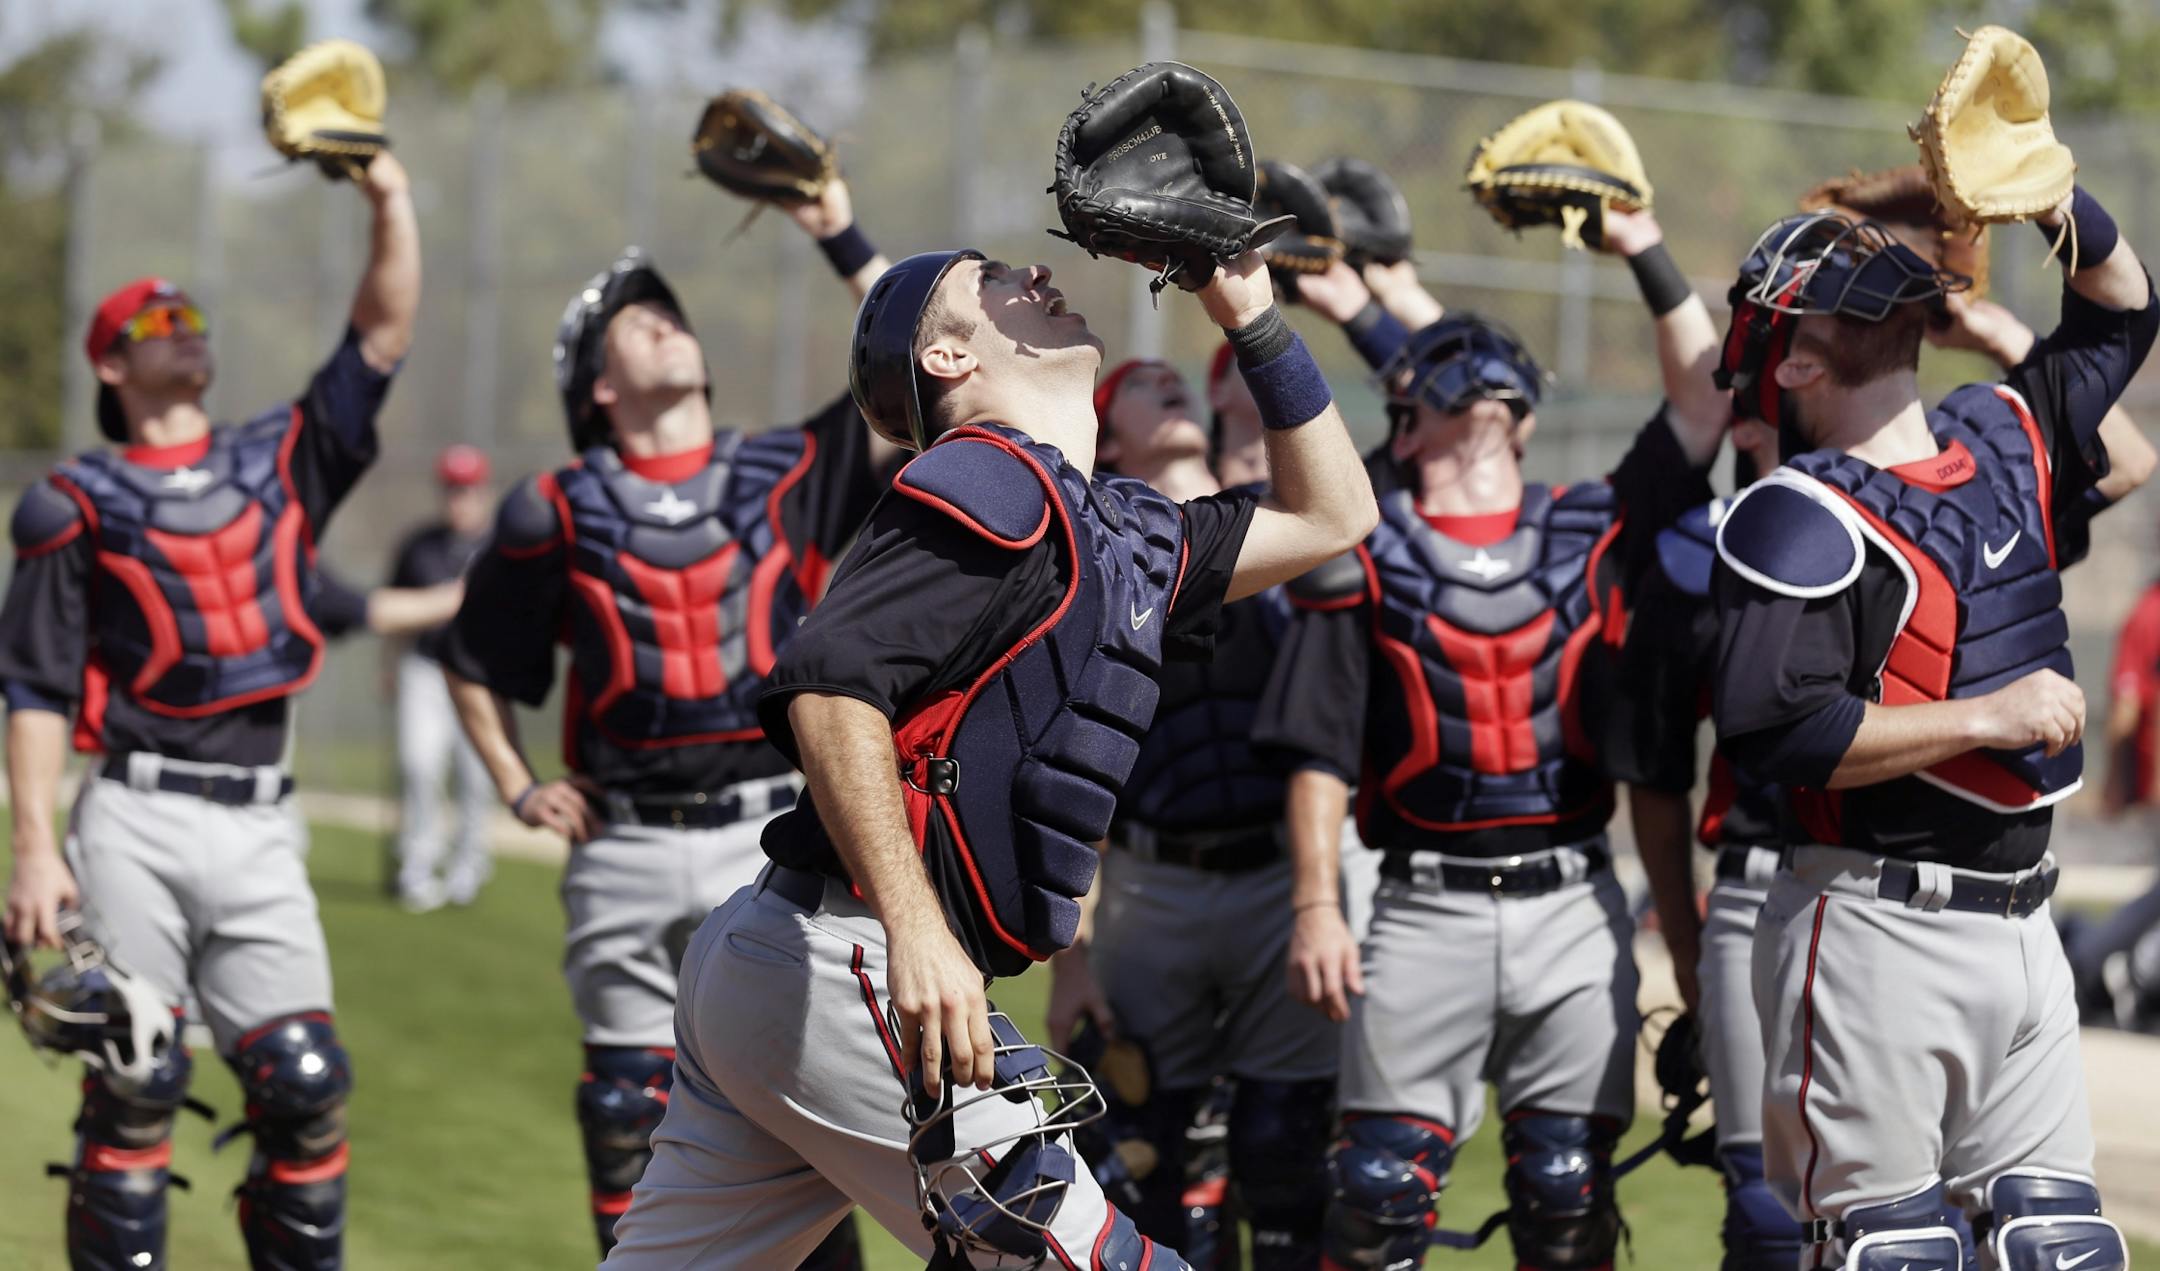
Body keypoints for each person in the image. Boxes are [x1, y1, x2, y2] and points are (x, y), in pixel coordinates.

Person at [600, 243, 1376, 1267]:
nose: (1035, 277)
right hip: (856, 961)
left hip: (795, 958)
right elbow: (829, 687)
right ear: (952, 359)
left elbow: (1335, 514)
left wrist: (1252, 314)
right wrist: (915, 931)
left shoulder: (1113, 525)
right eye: (993, 279)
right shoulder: (986, 471)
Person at [1619, 280, 2152, 1268]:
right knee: (1887, 1249)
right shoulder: (1775, 518)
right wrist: (1988, 717)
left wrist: (2005, 300)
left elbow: (2129, 426)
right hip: (1868, 912)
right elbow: (1771, 732)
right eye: (1837, 308)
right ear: (1796, 364)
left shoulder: (1979, 461)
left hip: (2025, 915)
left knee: (2061, 1246)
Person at [1257, 205, 1731, 1271]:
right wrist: (1316, 904)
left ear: (1524, 422)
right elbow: (1322, 744)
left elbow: (1706, 393)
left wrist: (1641, 239)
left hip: (1572, 898)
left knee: (1568, 1197)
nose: (1473, 382)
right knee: (1375, 1199)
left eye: (1492, 376)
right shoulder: (1366, 539)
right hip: (1423, 903)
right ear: (1406, 426)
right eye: (1442, 380)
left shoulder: (1593, 522)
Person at [439, 173, 892, 1261]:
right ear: (595, 386)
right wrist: (514, 780)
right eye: (632, 321)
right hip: (626, 842)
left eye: (669, 308)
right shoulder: (554, 507)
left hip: (773, 836)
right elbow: (469, 657)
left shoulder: (788, 465)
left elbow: (922, 363)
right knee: (634, 1127)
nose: (664, 320)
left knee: (823, 1124)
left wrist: (836, 228)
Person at [0, 150, 418, 1271]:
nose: (184, 327)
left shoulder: (278, 456)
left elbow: (379, 336)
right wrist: (34, 850)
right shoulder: (72, 500)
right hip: (136, 811)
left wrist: (387, 195)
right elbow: (35, 682)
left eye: (191, 314)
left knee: (306, 1084)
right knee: (137, 1075)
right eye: (156, 320)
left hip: (260, 820)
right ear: (113, 361)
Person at [1041, 352, 1338, 1268]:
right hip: (1151, 890)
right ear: (1107, 432)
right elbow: (1064, 777)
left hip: (1279, 887)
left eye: (1173, 379)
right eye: (1139, 382)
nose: (1163, 380)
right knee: (1141, 1167)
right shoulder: (1090, 554)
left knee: (1289, 1163)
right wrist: (1070, 961)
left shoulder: (1283, 522)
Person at [387, 444, 495, 912]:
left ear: (482, 491)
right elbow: (394, 609)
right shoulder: (418, 545)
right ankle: (417, 863)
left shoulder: (501, 546)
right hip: (426, 670)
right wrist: (387, 667)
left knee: (476, 776)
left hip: (481, 675)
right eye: (452, 489)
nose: (460, 499)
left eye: (467, 489)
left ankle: (469, 863)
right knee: (419, 765)